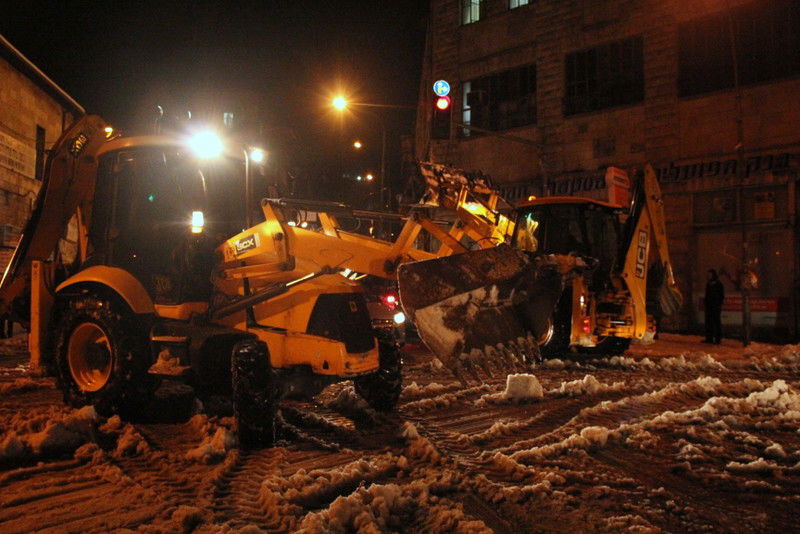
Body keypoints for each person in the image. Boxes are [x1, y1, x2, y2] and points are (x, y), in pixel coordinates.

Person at [704, 269, 724, 344]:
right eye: (708, 275)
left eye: (710, 275)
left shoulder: (718, 284)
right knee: (709, 322)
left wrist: (718, 304)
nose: (708, 276)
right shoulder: (708, 284)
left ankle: (718, 339)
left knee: (716, 322)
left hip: (715, 306)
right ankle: (709, 338)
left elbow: (721, 296)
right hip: (709, 306)